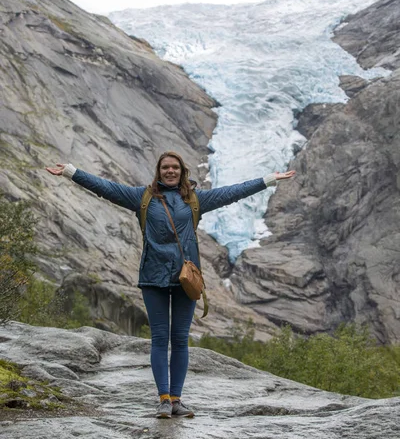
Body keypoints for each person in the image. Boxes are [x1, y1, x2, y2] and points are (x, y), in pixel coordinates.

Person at [46, 152, 295, 418]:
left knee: (179, 340)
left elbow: (232, 192)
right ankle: (163, 398)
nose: (170, 171)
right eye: (165, 167)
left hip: (185, 279)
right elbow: (106, 188)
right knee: (159, 339)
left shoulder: (195, 199)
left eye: (175, 167)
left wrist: (268, 180)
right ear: (159, 171)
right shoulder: (142, 198)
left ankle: (176, 399)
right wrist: (72, 172)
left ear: (182, 171)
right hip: (153, 278)